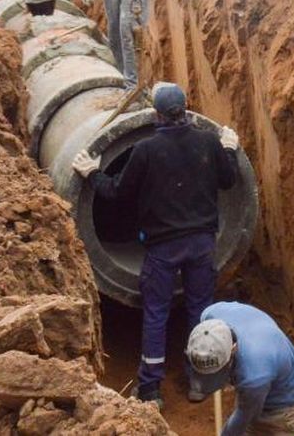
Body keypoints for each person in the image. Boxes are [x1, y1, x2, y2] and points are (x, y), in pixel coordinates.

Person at [73, 83, 241, 407]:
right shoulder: (208, 141)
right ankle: (199, 381)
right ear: (186, 108)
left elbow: (117, 192)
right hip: (202, 244)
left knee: (156, 314)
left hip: (163, 248)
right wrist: (230, 149)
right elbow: (229, 180)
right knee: (200, 311)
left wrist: (92, 173)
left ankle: (150, 389)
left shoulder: (145, 150)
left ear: (156, 114)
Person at [186, 302, 294, 436]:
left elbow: (243, 418)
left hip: (287, 410)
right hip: (256, 393)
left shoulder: (254, 376)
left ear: (232, 351)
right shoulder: (210, 317)